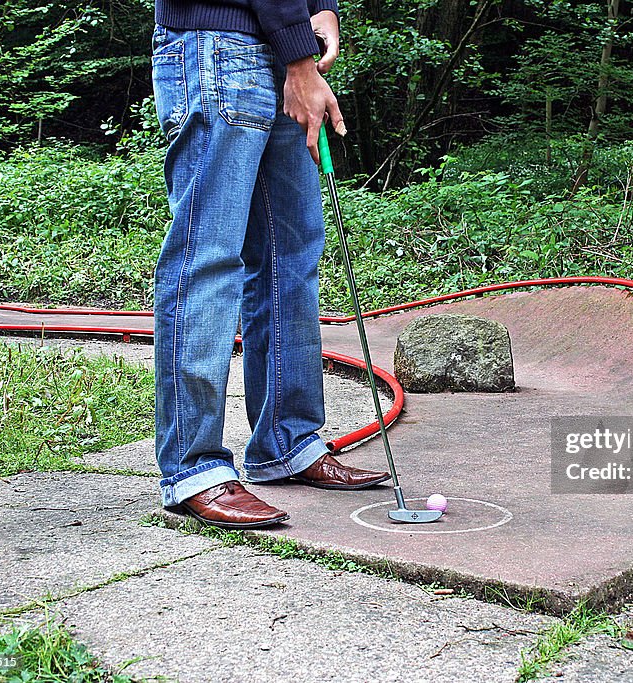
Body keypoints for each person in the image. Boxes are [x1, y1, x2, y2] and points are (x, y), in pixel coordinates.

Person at [150, 0, 389, 529]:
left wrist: (320, 10)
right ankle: (195, 469)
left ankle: (287, 440)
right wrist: (301, 59)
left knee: (292, 258)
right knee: (206, 258)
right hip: (216, 46)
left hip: (279, 49)